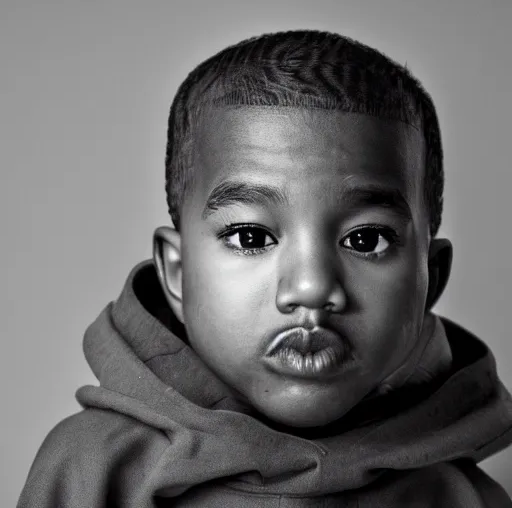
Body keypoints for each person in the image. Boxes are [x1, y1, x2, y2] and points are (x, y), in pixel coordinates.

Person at [18, 30, 512, 507]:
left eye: (365, 239)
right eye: (251, 238)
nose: (311, 288)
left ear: (431, 277)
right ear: (177, 273)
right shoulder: (94, 471)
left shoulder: (461, 496)